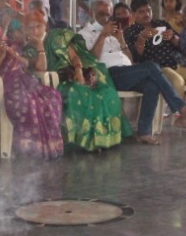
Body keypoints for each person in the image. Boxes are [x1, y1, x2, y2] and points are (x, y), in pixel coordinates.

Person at [79, 0, 186, 143]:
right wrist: (103, 35)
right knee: (151, 66)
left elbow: (130, 60)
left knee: (152, 85)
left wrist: (122, 41)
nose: (106, 18)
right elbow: (92, 60)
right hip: (107, 74)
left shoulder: (115, 31)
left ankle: (144, 132)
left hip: (126, 71)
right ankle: (180, 107)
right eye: (101, 14)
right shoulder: (85, 33)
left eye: (108, 14)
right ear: (92, 13)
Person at [0, 12, 64, 160]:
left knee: (52, 96)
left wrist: (13, 53)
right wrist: (1, 57)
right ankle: (28, 149)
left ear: (1, 28)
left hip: (25, 82)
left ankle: (47, 146)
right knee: (27, 101)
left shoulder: (11, 45)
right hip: (1, 87)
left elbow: (29, 65)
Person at [44, 9, 133, 151]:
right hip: (60, 80)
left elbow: (77, 58)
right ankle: (82, 141)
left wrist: (79, 70)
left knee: (106, 91)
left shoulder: (63, 36)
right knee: (80, 92)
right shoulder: (50, 40)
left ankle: (102, 139)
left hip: (77, 75)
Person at [124, 0, 186, 113]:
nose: (146, 14)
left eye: (148, 10)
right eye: (141, 12)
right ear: (133, 14)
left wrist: (172, 37)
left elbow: (180, 45)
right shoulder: (131, 31)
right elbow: (135, 56)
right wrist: (142, 38)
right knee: (177, 82)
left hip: (178, 63)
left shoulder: (161, 23)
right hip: (159, 68)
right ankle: (182, 115)